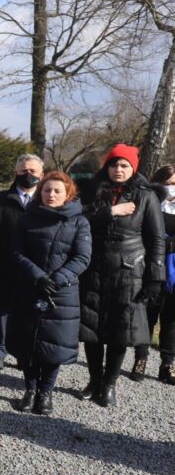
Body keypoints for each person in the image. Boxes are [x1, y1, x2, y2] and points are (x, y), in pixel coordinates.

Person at [80, 144, 165, 407]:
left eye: (124, 165)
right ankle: (94, 380)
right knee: (92, 328)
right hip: (94, 265)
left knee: (121, 329)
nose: (118, 169)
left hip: (129, 269)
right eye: (114, 164)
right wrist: (110, 211)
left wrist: (155, 276)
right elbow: (80, 221)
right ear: (107, 167)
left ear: (133, 168)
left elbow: (156, 239)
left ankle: (109, 384)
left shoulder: (146, 196)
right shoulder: (92, 191)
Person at [6, 171, 91, 415]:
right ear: (40, 192)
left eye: (57, 191)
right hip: (30, 287)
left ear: (68, 194)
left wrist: (59, 279)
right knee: (28, 342)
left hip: (62, 293)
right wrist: (37, 276)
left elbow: (82, 257)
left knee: (54, 345)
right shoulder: (27, 218)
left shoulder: (79, 221)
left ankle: (46, 392)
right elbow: (16, 252)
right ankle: (30, 389)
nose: (51, 194)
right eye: (47, 190)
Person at [0, 154, 44, 369]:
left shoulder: (47, 201)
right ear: (16, 173)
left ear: (41, 175)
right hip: (4, 266)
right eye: (24, 170)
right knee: (0, 312)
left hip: (35, 268)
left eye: (33, 171)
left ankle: (24, 353)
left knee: (29, 313)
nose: (28, 174)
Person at [132, 165, 175, 384]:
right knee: (148, 316)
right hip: (153, 268)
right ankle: (140, 358)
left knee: (171, 320)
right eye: (169, 183)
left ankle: (168, 364)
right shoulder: (150, 204)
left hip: (174, 272)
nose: (172, 189)